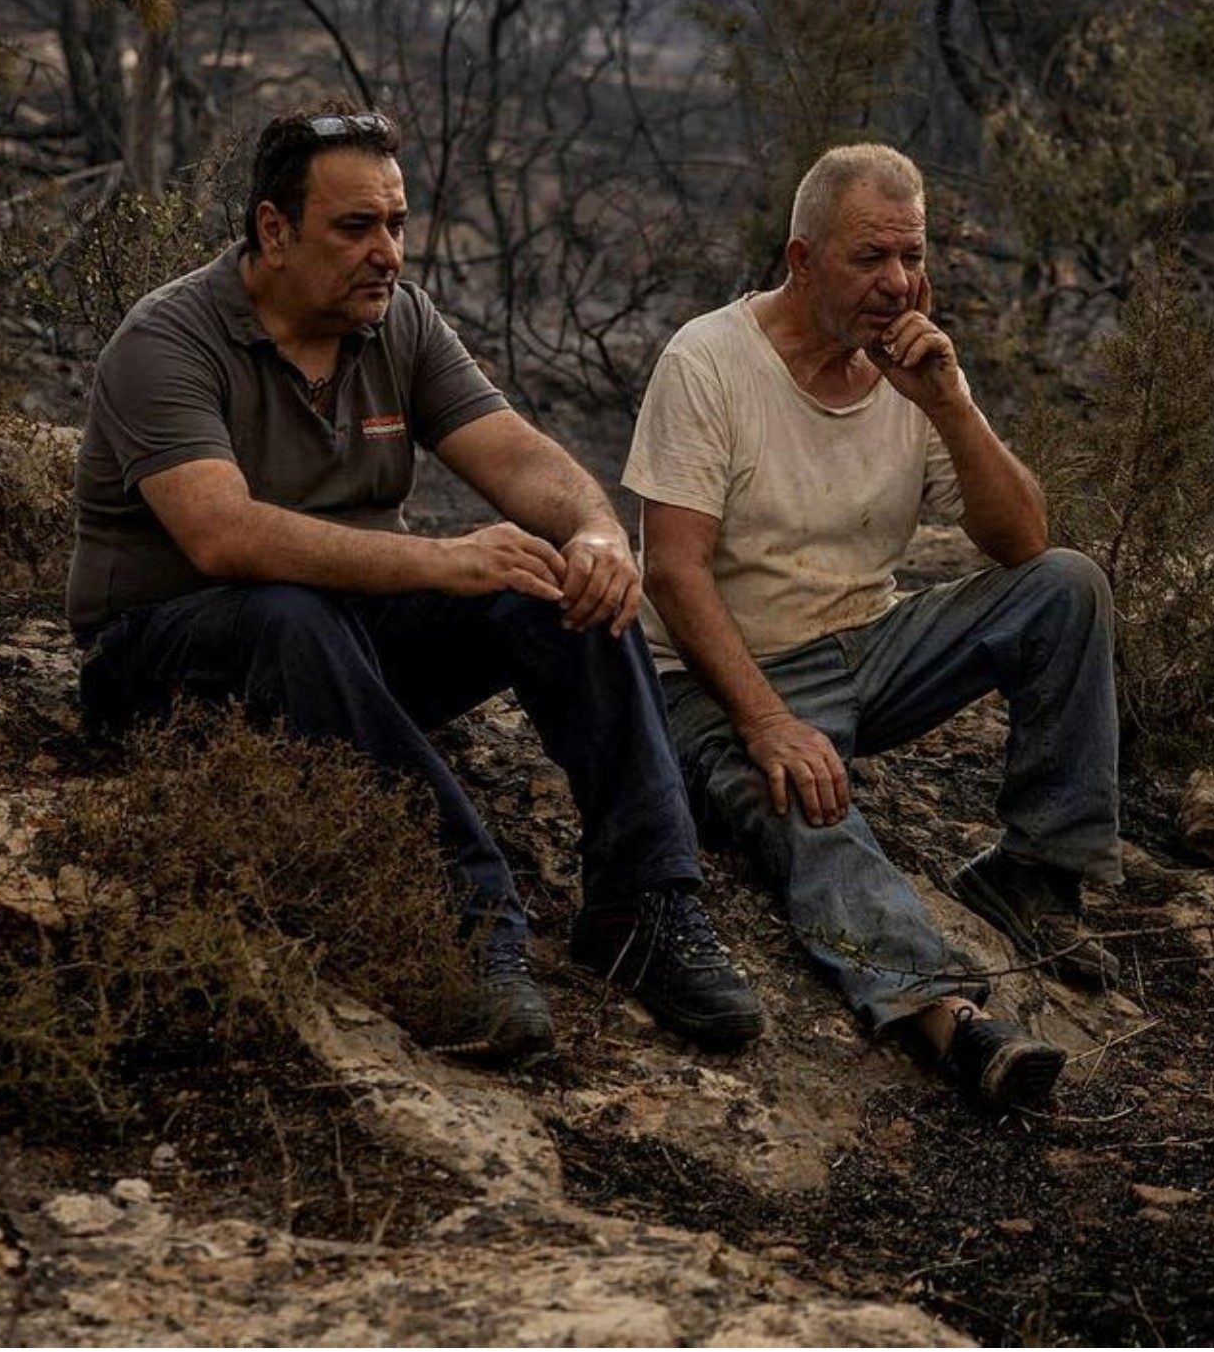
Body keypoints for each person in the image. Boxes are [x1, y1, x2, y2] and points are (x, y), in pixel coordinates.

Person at [69, 102, 763, 1065]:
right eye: (356, 227)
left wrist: (598, 531)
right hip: (162, 662)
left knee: (552, 581)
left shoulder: (396, 321)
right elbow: (221, 536)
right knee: (288, 608)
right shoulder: (169, 340)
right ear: (274, 228)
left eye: (396, 223)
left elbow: (521, 460)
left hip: (340, 649)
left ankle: (645, 901)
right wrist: (440, 557)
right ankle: (466, 921)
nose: (387, 252)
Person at [624, 142, 1121, 1111]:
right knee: (808, 806)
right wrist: (765, 721)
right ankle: (949, 1020)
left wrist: (947, 403)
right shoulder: (709, 361)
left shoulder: (911, 368)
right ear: (800, 261)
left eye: (912, 257)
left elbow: (1022, 541)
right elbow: (671, 572)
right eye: (869, 259)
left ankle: (1036, 873)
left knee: (1067, 587)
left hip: (866, 648)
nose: (898, 285)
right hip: (720, 676)